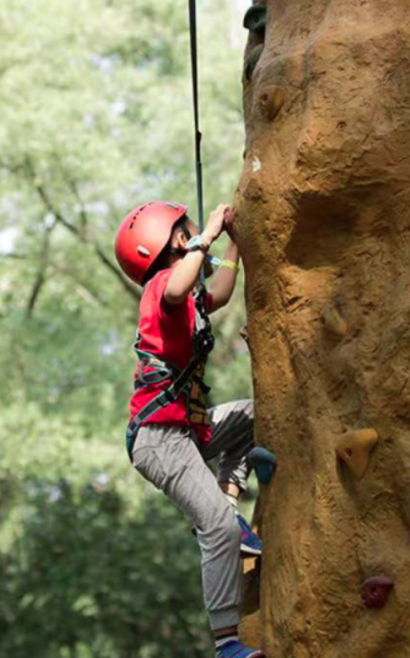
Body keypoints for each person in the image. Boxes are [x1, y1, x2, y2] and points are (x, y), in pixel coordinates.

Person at [114, 201, 265, 658]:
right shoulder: (161, 287)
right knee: (217, 527)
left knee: (259, 415)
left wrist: (234, 246)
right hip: (158, 439)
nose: (197, 227)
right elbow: (180, 288)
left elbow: (215, 293)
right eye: (189, 227)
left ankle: (228, 494)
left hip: (187, 430)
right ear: (178, 239)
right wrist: (211, 235)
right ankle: (226, 644)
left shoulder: (186, 293)